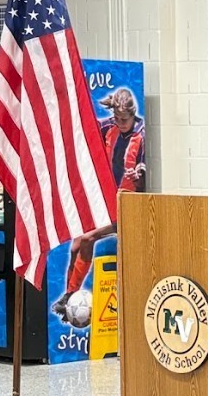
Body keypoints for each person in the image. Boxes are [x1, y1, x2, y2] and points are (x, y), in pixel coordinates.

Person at [51, 87, 146, 320]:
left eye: (124, 120)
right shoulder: (109, 127)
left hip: (129, 208)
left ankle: (70, 295)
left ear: (133, 114)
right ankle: (68, 296)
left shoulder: (143, 134)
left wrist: (140, 173)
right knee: (75, 244)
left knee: (87, 238)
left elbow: (147, 169)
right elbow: (84, 129)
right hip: (106, 203)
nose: (120, 123)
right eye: (117, 118)